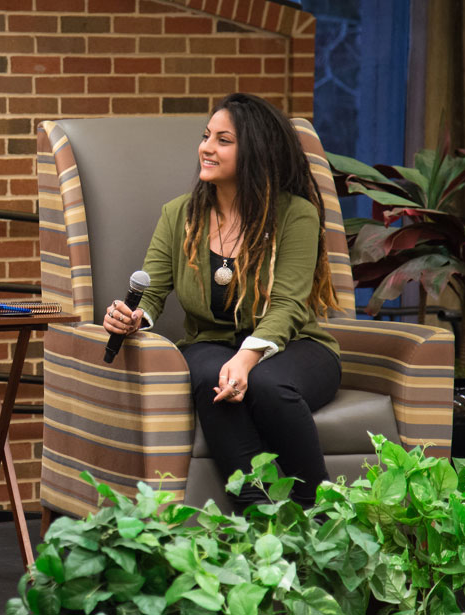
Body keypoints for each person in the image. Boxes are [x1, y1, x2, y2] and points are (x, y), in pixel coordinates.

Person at [103, 92, 342, 512]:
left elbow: (287, 305)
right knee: (212, 379)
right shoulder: (178, 214)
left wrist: (248, 359)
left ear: (256, 151)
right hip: (208, 342)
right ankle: (258, 515)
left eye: (223, 140)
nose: (206, 148)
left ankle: (317, 509)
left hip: (297, 346)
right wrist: (134, 317)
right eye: (206, 136)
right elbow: (153, 291)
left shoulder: (295, 215)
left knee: (267, 386)